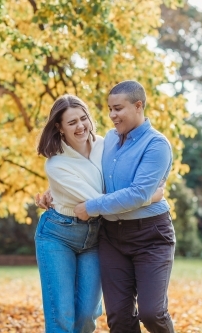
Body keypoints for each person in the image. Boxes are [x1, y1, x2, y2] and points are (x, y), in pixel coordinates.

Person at [34, 94, 164, 333]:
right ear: (59, 127)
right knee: (61, 315)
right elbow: (98, 200)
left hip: (96, 235)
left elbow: (120, 180)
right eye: (72, 122)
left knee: (86, 315)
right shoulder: (55, 164)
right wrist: (150, 195)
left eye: (83, 118)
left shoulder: (106, 145)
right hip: (58, 234)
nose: (81, 126)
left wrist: (140, 190)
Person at [73, 80, 176, 333]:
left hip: (151, 236)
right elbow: (84, 169)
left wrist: (92, 206)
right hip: (112, 238)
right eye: (109, 109)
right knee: (118, 317)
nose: (111, 115)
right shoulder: (107, 140)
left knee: (152, 313)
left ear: (138, 105)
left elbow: (138, 194)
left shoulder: (156, 144)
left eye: (118, 108)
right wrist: (54, 192)